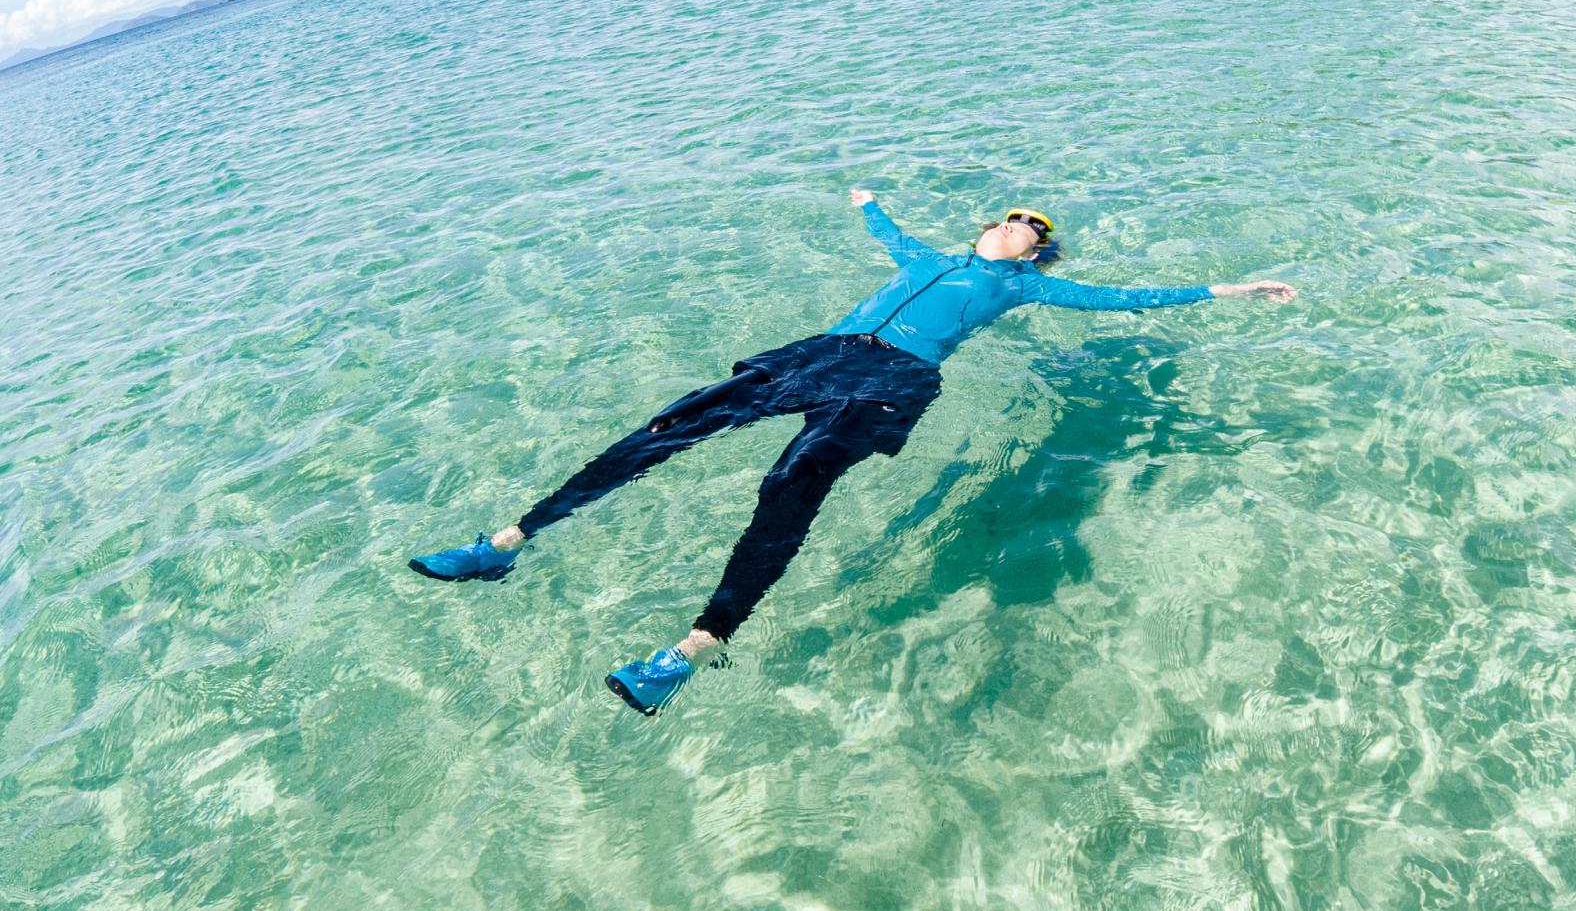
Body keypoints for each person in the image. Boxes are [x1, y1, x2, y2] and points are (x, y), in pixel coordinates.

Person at [411, 190, 1297, 714]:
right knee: (663, 430)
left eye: (1040, 224)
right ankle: (506, 545)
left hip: (895, 380)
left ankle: (690, 651)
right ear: (992, 221)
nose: (1028, 224)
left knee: (791, 483)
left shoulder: (1028, 285)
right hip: (818, 350)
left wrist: (1229, 285)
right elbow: (884, 227)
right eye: (1018, 214)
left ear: (1041, 247)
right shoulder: (926, 251)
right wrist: (866, 199)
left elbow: (1124, 299)